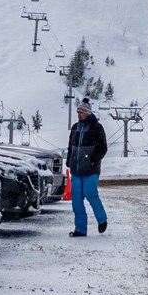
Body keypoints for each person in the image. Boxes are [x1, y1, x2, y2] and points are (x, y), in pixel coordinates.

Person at [66, 97, 109, 237]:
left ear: (88, 113)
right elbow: (70, 146)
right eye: (78, 112)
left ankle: (102, 220)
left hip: (91, 170)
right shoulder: (75, 127)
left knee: (90, 194)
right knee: (76, 198)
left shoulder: (97, 127)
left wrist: (93, 161)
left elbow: (103, 148)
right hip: (76, 170)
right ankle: (80, 229)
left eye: (81, 112)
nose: (79, 115)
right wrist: (69, 160)